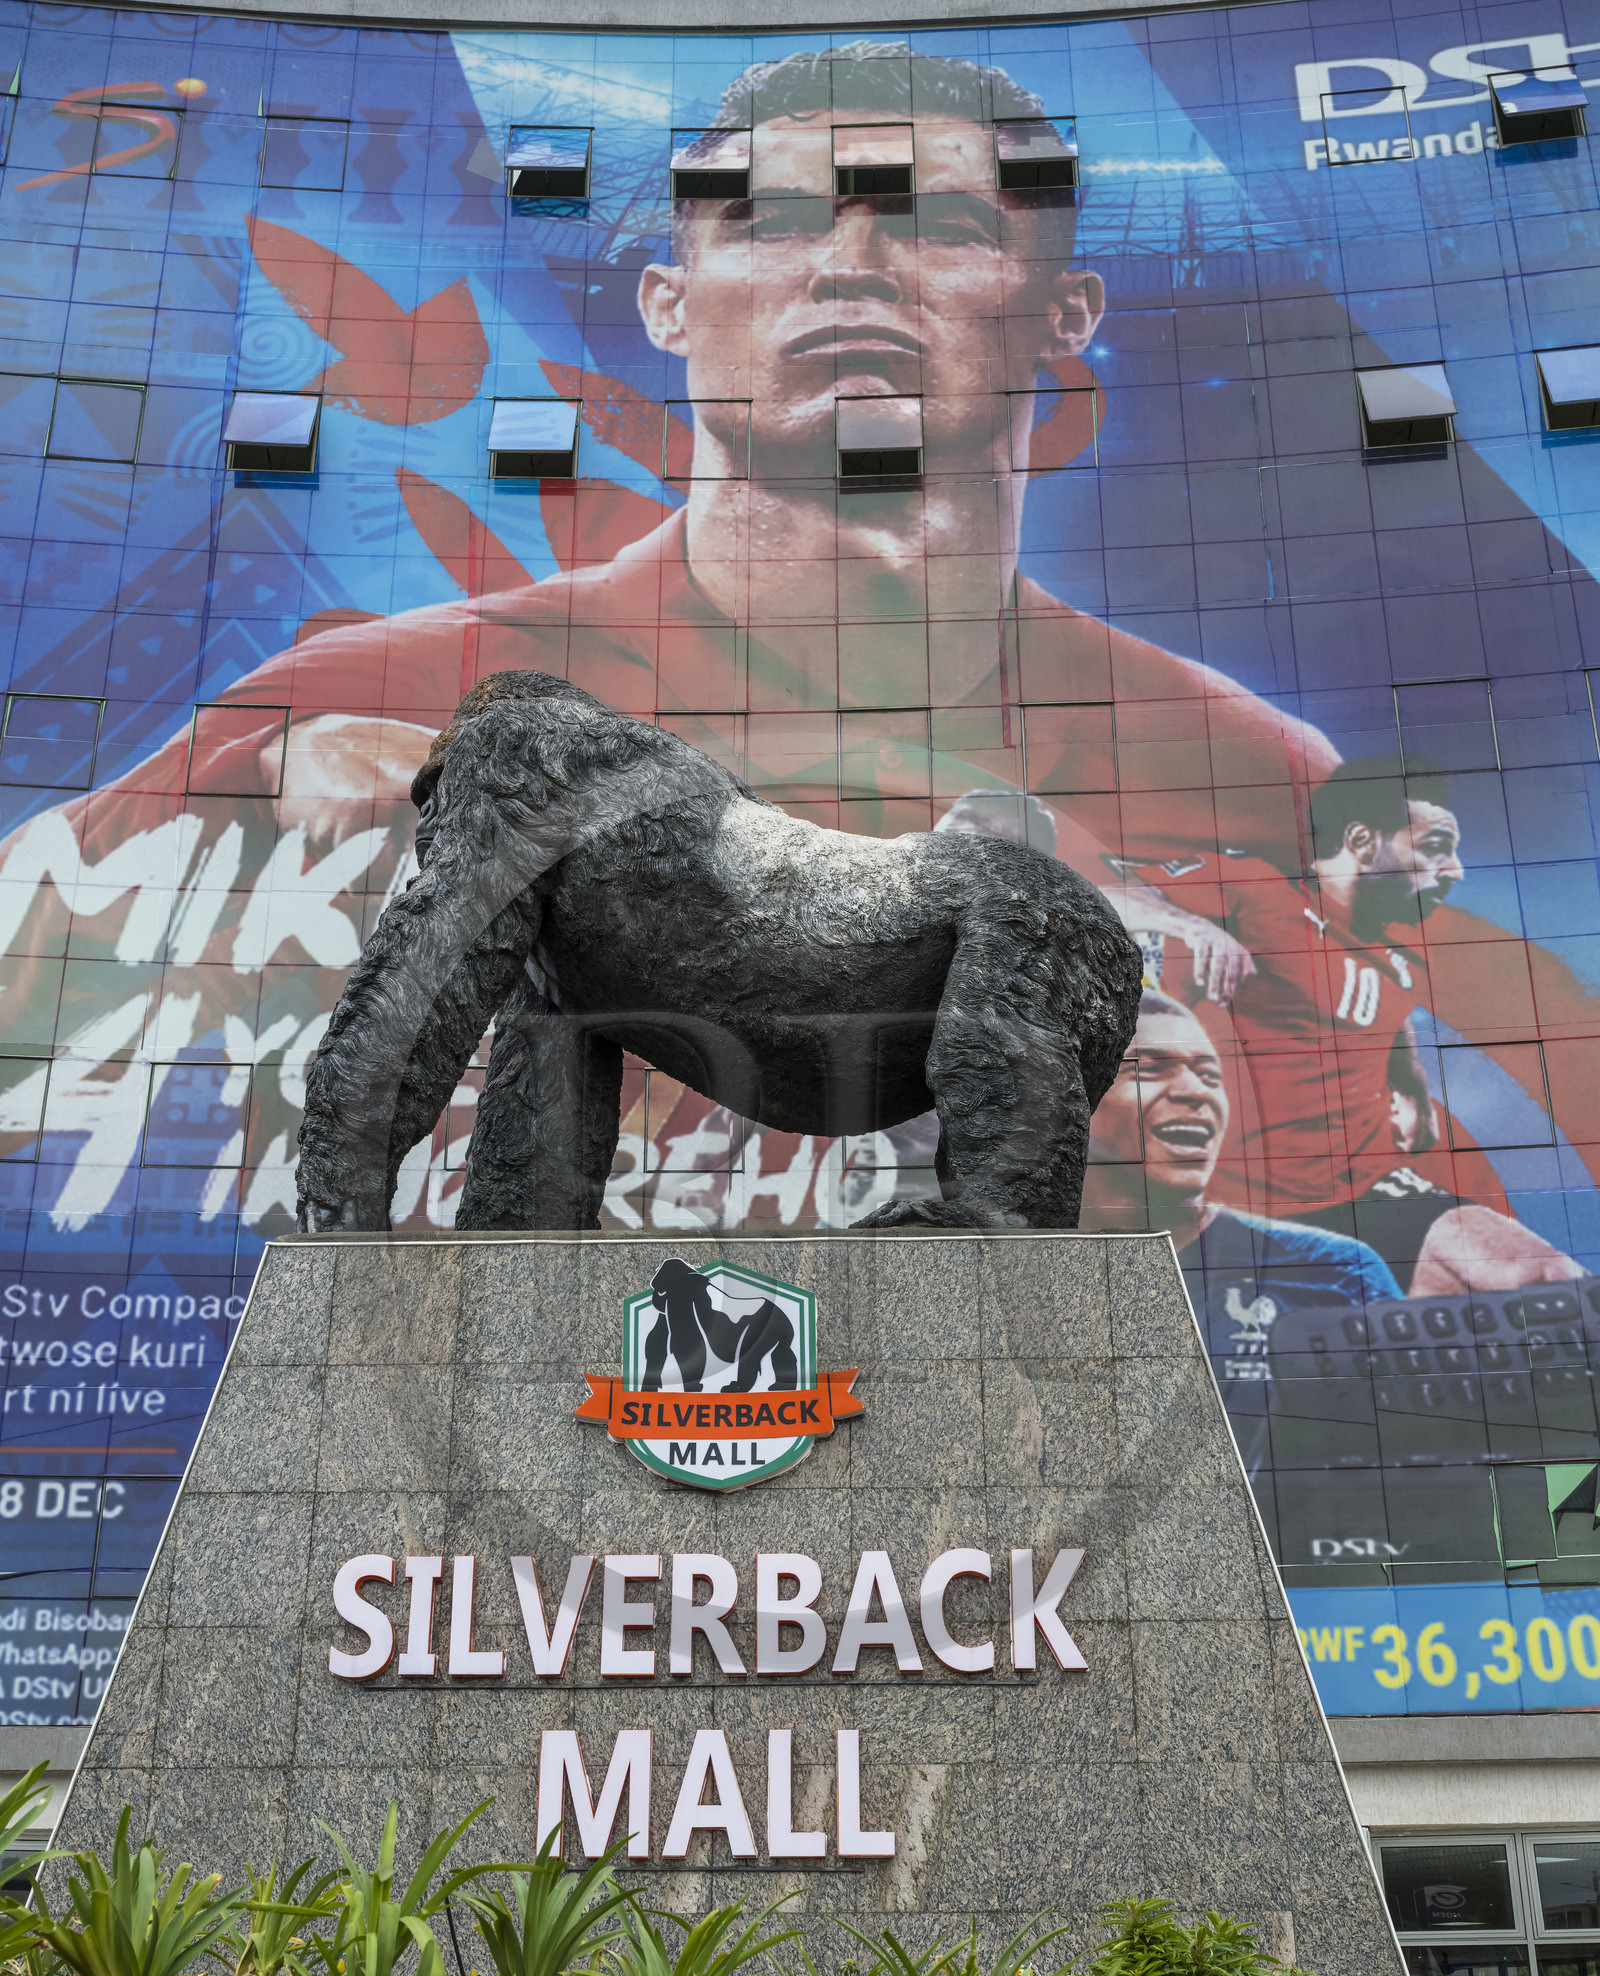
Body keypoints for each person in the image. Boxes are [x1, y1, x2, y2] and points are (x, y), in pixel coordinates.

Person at [0, 40, 1331, 1233]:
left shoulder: (1249, 764)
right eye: (774, 220)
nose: (849, 266)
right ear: (668, 304)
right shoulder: (346, 705)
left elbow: (1347, 1163)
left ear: (1066, 311)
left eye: (933, 222)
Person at [1112, 756, 1584, 1295]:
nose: (1455, 871)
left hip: (1366, 1190)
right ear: (1361, 840)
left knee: (1543, 1276)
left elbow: (1382, 1022)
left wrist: (1412, 1090)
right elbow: (1105, 893)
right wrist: (1192, 925)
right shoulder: (1257, 889)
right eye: (1433, 848)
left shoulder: (1403, 954)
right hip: (1250, 1207)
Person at [1083, 988, 1403, 1460]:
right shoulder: (1009, 1272)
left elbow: (1406, 1444)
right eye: (1149, 1068)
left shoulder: (1339, 1273)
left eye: (1209, 1074)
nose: (1195, 1092)